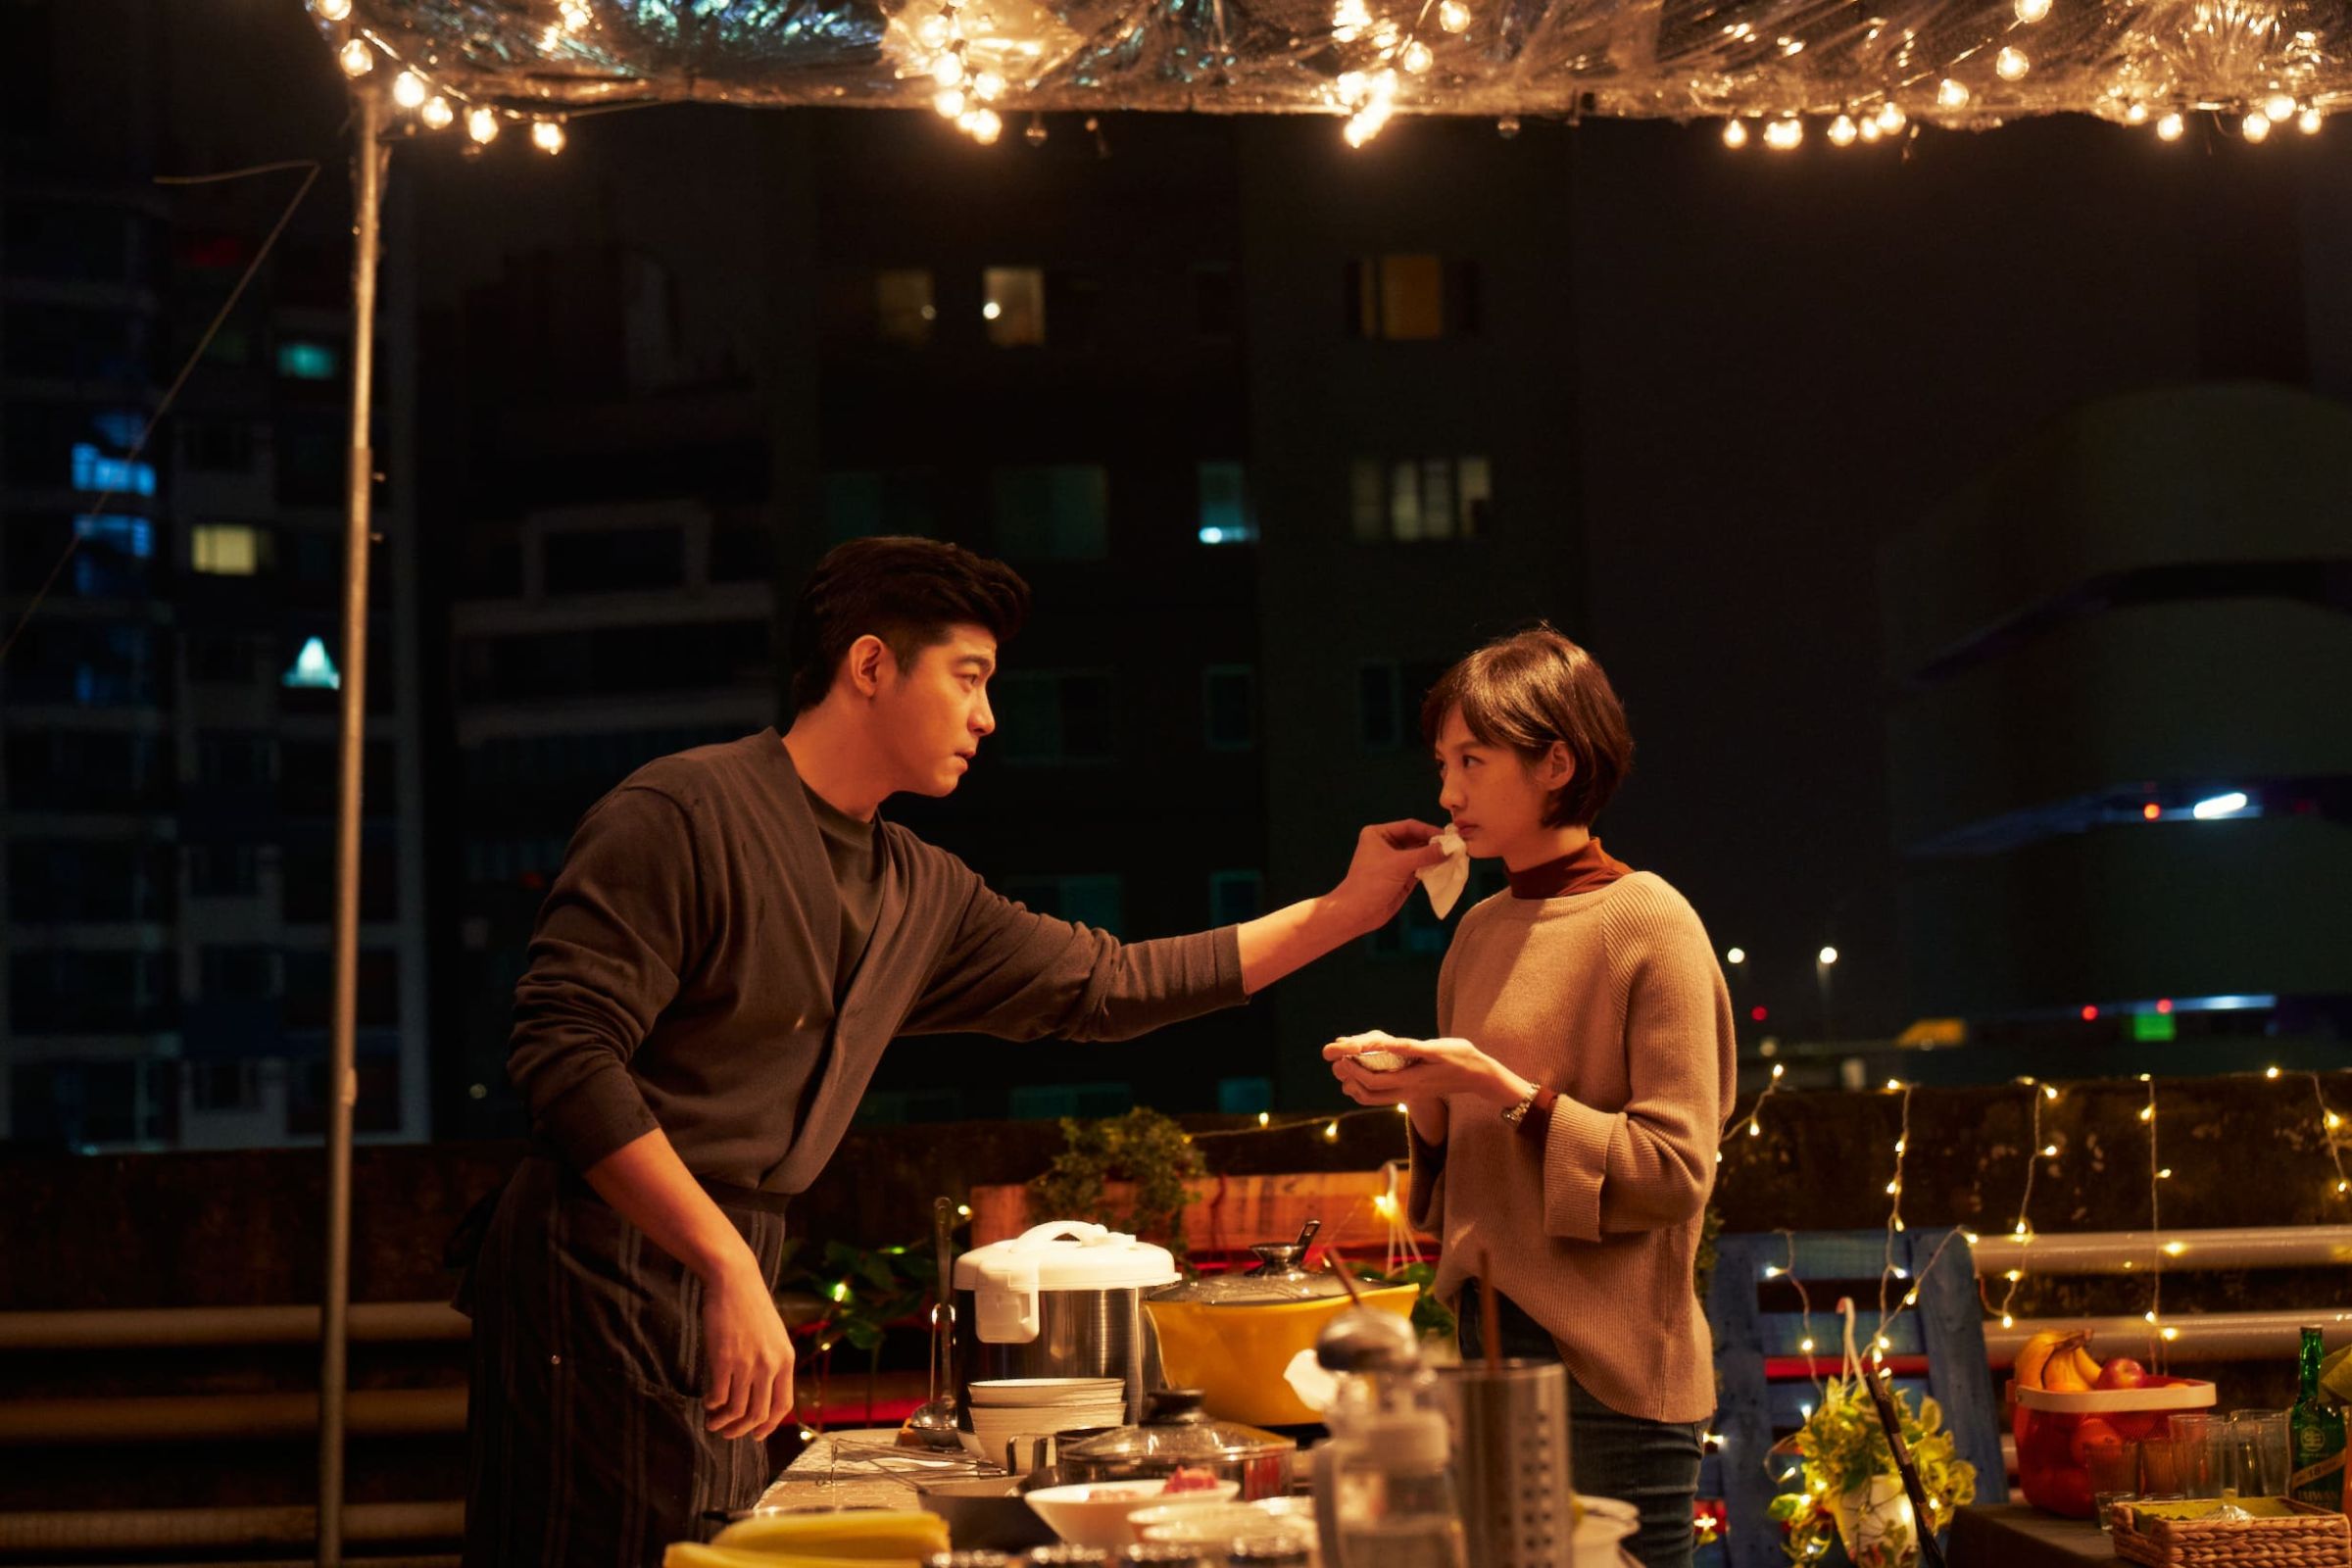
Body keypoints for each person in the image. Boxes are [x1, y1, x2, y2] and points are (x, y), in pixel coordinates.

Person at [461, 535, 1446, 1567]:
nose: (987, 716)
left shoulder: (917, 886)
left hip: (731, 1256)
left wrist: (1347, 910)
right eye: (968, 677)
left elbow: (1109, 984)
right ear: (870, 664)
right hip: (602, 1252)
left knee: (710, 1552)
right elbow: (566, 1054)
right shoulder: (683, 813)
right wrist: (721, 1261)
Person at [1323, 624, 1736, 1568]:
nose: (1447, 793)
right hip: (1489, 1353)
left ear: (1557, 762)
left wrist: (1495, 1085)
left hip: (1612, 1371)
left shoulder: (1650, 920)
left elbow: (1674, 1174)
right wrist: (1420, 1093)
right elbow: (1470, 1171)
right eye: (1442, 763)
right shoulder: (1477, 930)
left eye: (1473, 760)